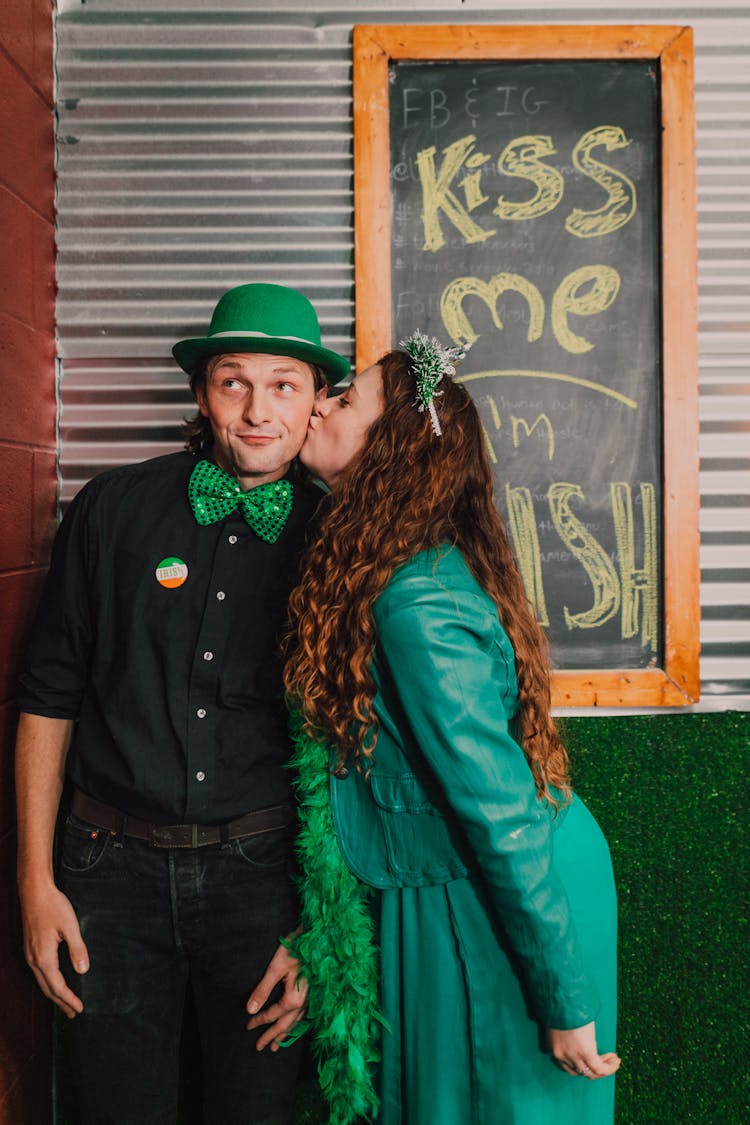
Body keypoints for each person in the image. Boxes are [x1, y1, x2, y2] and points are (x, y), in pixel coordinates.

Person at [15, 282, 349, 1124]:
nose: (257, 410)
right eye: (234, 381)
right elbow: (48, 699)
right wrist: (34, 883)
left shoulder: (341, 539)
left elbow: (360, 741)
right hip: (106, 877)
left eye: (284, 384)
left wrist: (325, 926)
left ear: (314, 404)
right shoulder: (110, 510)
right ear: (202, 392)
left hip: (266, 885)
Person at [279, 335, 620, 1125]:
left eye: (345, 398)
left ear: (390, 448)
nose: (320, 404)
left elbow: (498, 810)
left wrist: (562, 994)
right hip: (446, 876)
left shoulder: (414, 603)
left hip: (492, 890)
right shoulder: (390, 564)